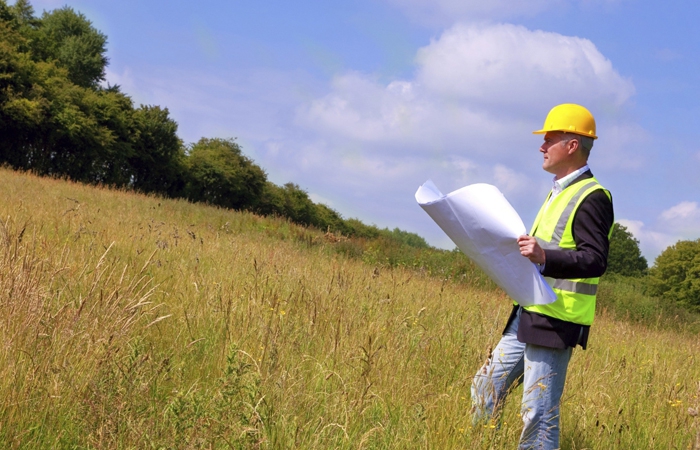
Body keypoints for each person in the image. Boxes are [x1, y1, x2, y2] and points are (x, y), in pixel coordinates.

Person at [470, 103, 614, 449]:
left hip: (557, 320)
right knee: (485, 386)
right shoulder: (558, 190)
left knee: (538, 414)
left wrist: (544, 256)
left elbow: (595, 259)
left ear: (572, 145)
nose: (542, 145)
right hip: (530, 313)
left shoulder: (592, 196)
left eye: (549, 138)